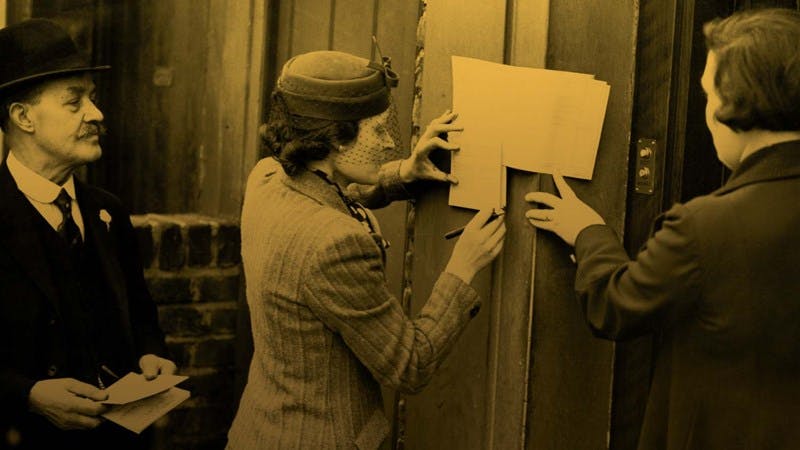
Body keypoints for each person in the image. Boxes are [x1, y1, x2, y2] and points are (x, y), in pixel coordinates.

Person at [525, 8, 800, 450]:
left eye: (708, 95)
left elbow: (616, 305)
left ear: (735, 106)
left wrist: (589, 232)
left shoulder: (704, 226)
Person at [227, 49, 506, 449]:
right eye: (377, 130)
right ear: (336, 139)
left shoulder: (267, 178)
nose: (390, 141)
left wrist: (402, 175)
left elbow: (331, 193)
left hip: (261, 430)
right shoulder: (335, 243)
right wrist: (462, 268)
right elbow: (410, 364)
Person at [0, 18, 176, 449]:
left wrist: (151, 354)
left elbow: (141, 316)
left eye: (92, 99)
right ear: (24, 117)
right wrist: (29, 395)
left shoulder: (107, 211)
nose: (96, 115)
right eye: (74, 102)